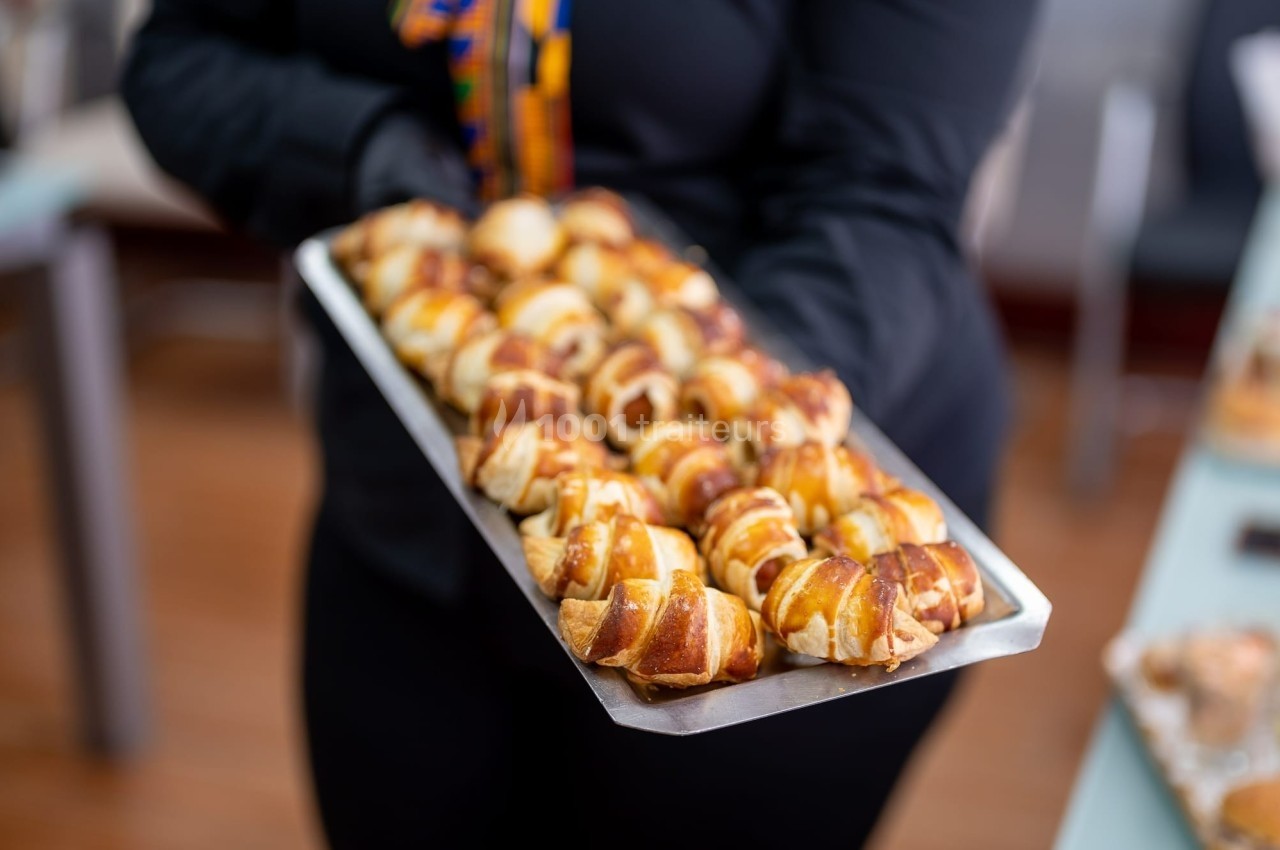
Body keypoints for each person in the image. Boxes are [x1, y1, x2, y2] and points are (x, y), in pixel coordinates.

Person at [123, 1, 1038, 845]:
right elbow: (179, 60)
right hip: (409, 495)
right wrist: (358, 146)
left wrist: (723, 421)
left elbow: (885, 182)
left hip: (797, 558)